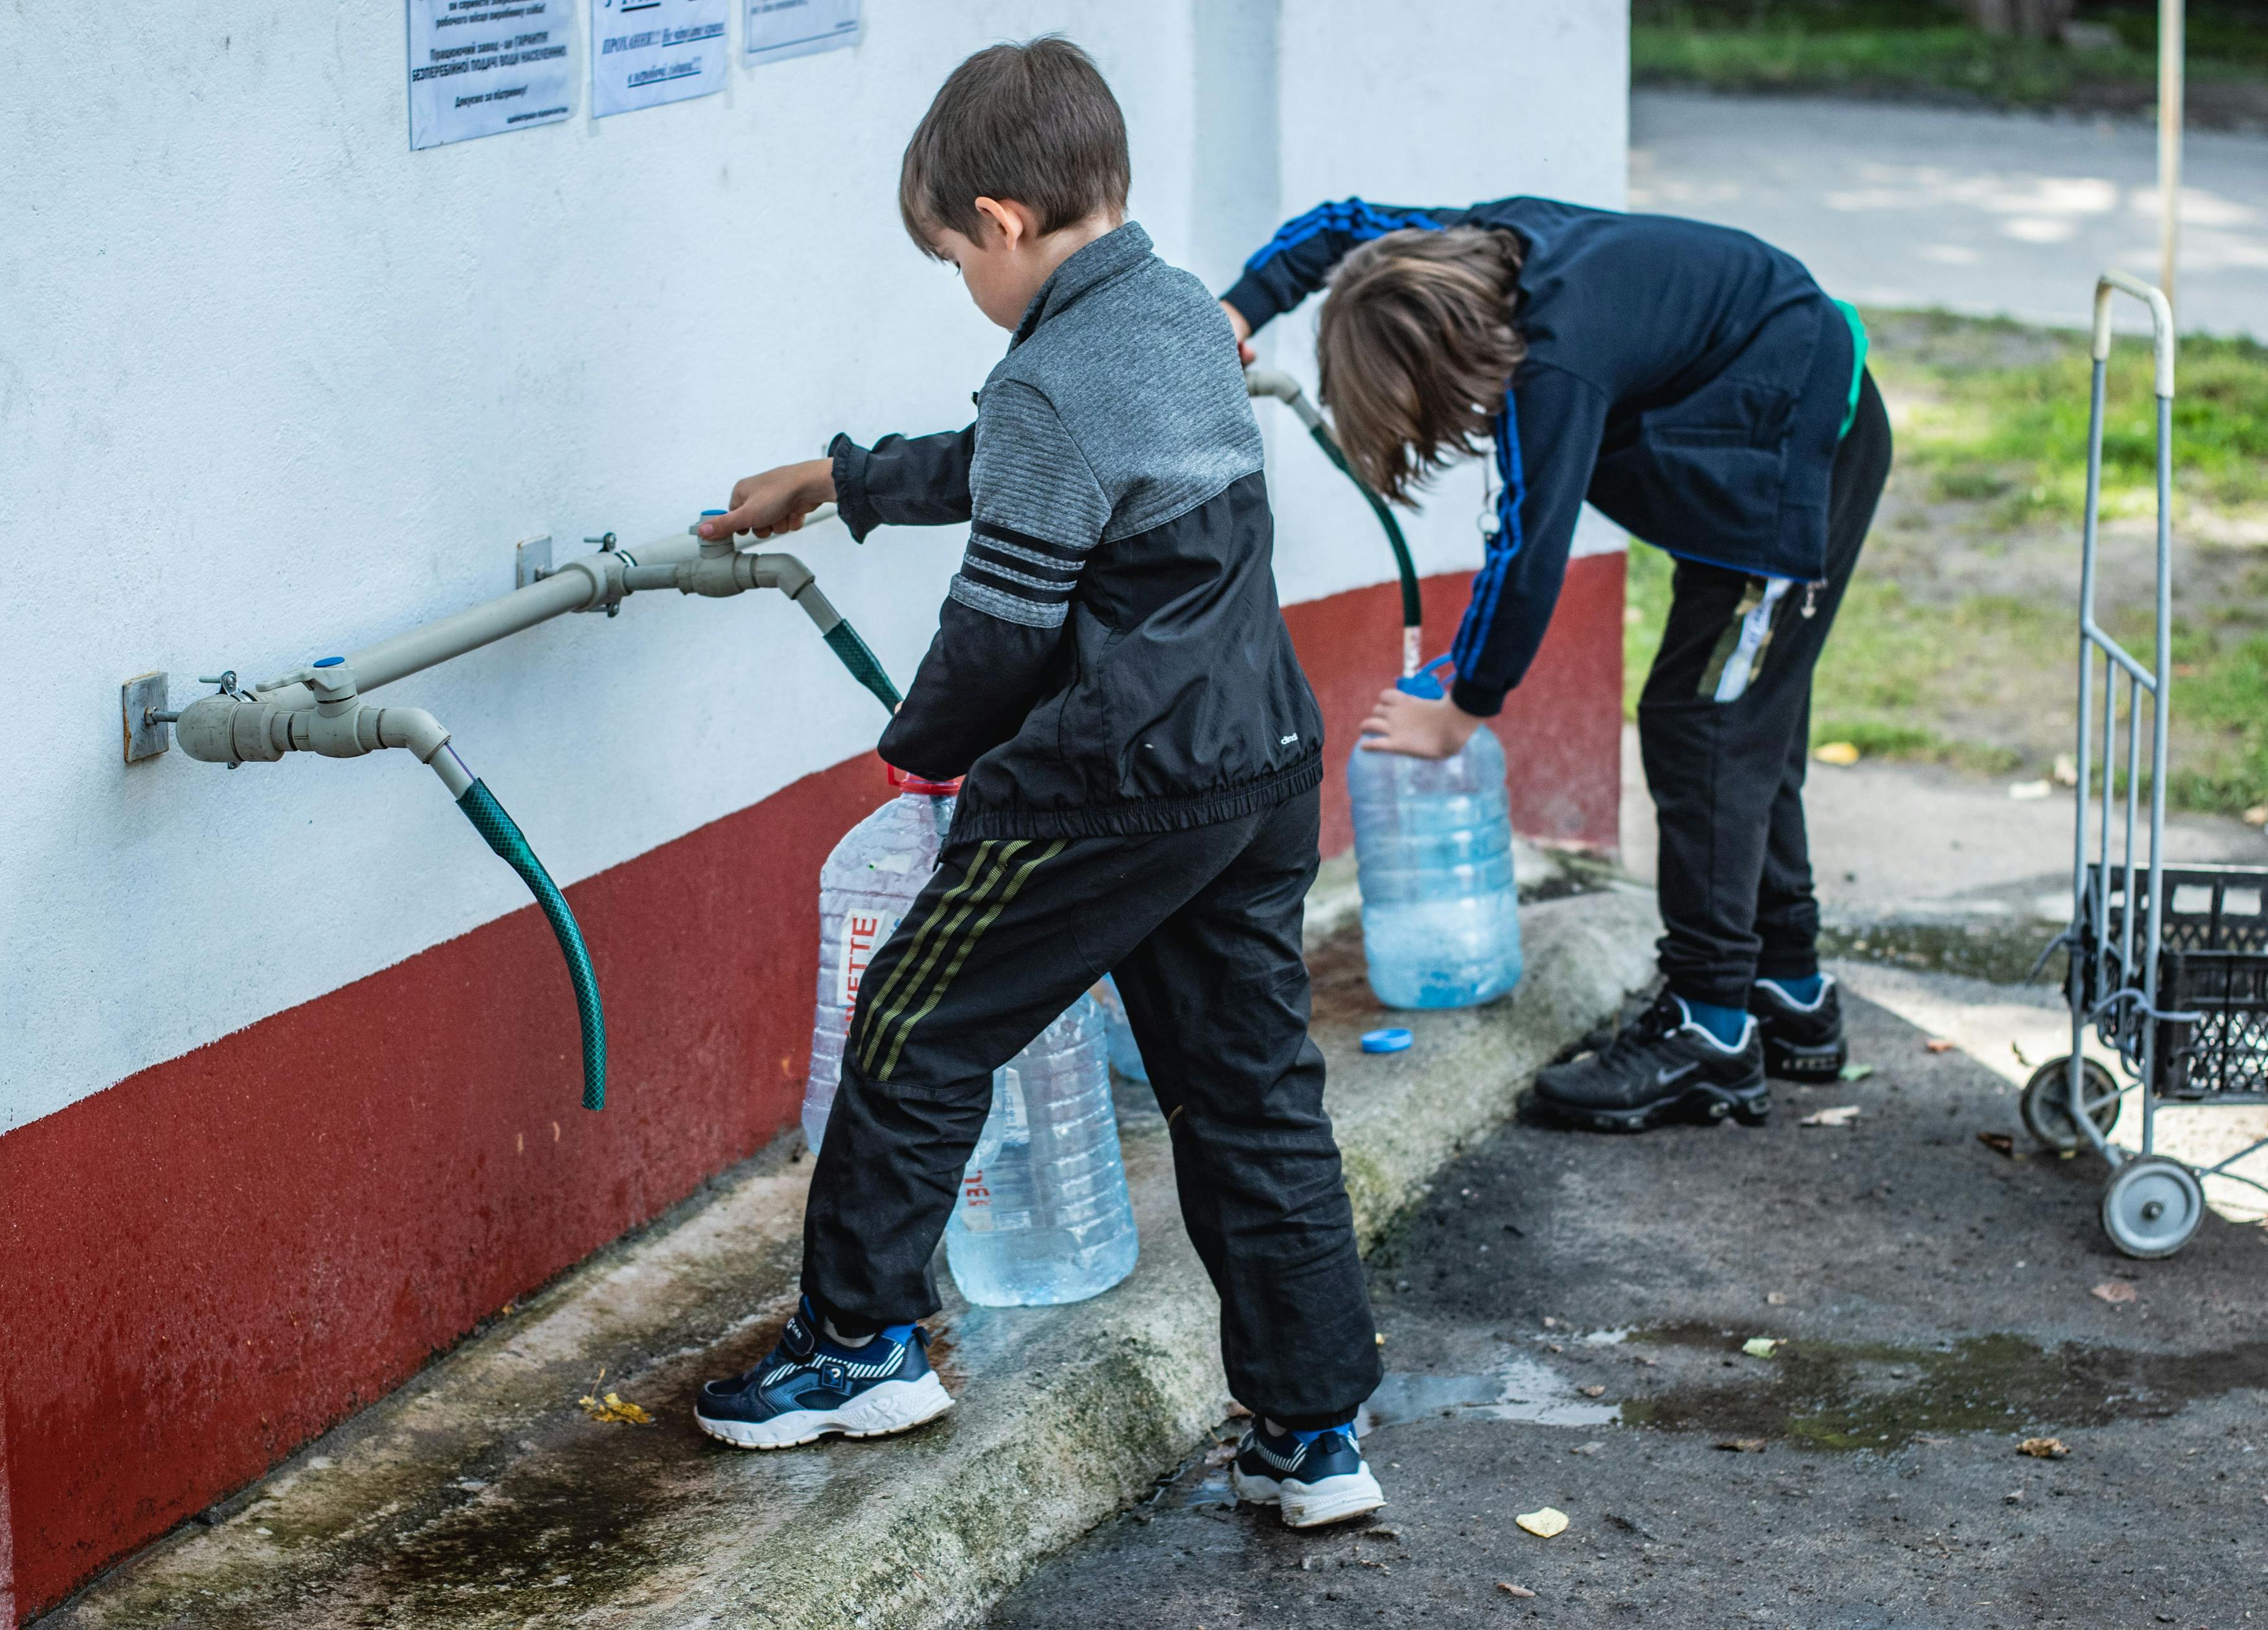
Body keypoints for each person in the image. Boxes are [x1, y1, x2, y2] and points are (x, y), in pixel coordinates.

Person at [686, 39, 1385, 1528]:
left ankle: (854, 1343)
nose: (965, 284)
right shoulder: (1180, 316)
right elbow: (1019, 461)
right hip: (1255, 761)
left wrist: (919, 755)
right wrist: (840, 478)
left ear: (1000, 223)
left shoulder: (1051, 384)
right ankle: (1313, 1431)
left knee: (917, 1022)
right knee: (1251, 1092)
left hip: (1108, 786)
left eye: (953, 259)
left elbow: (998, 631)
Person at [1218, 198, 1890, 1133]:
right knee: (1740, 729)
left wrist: (1463, 707)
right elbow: (1337, 227)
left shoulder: (1552, 363)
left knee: (1706, 730)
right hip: (1758, 407)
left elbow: (1526, 555)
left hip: (1802, 443)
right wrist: (1241, 309)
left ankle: (1712, 1032)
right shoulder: (1468, 251)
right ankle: (1787, 987)